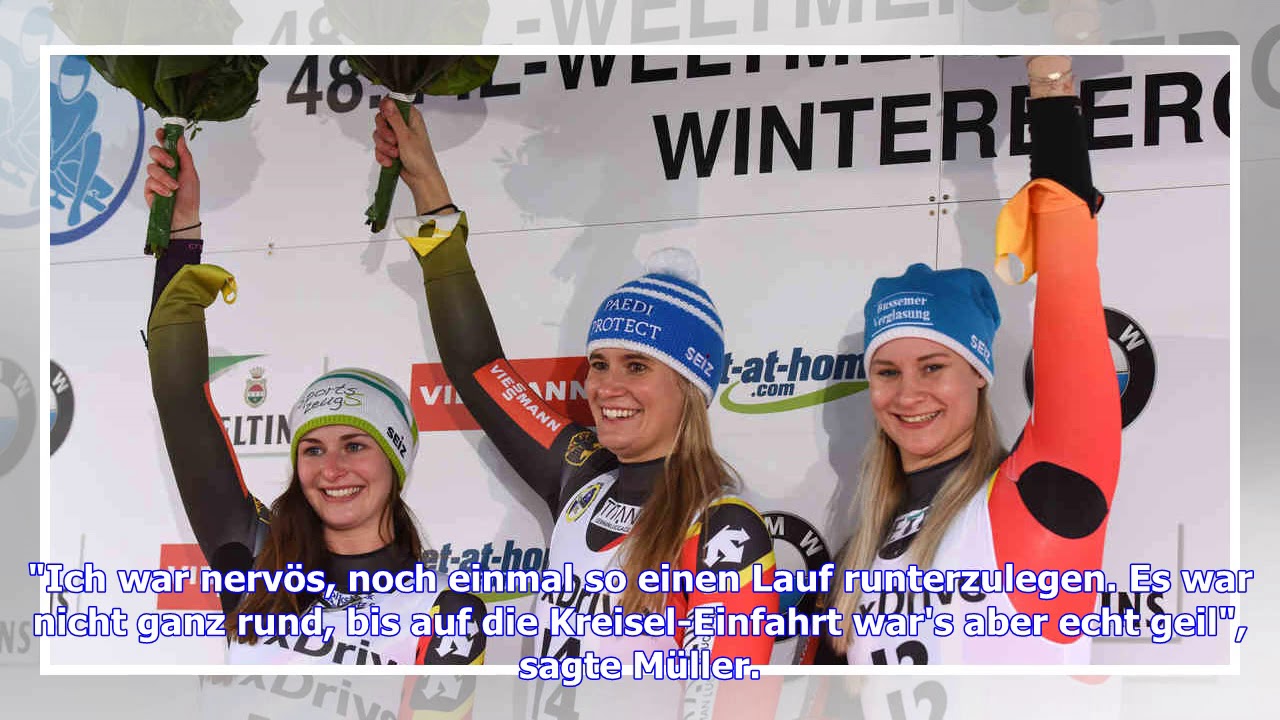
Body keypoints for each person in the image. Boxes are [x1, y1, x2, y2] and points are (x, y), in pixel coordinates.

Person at [370, 99, 779, 666]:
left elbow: (730, 699)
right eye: (600, 363)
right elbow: (480, 369)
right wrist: (430, 192)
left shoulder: (720, 526)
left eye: (637, 366)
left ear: (690, 386)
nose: (607, 386)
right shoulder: (582, 475)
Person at [143, 129, 485, 666]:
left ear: (396, 460)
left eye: (354, 445)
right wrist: (181, 229)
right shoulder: (256, 556)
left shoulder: (448, 613)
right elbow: (180, 399)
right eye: (313, 449)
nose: (331, 469)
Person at [823, 55, 1122, 665]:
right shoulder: (864, 548)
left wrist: (1051, 85)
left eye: (933, 367)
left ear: (979, 375)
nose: (907, 394)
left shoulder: (1035, 500)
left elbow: (1068, 289)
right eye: (888, 371)